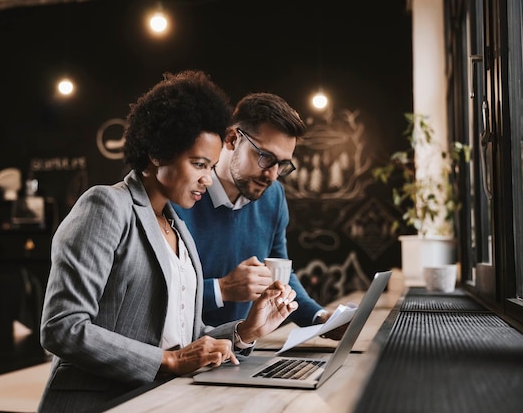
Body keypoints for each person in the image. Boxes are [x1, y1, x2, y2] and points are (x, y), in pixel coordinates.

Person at [37, 72, 298, 413]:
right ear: (158, 154)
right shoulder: (106, 206)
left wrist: (245, 331)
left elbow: (179, 333)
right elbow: (62, 328)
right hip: (96, 403)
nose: (207, 178)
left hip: (157, 401)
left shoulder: (176, 226)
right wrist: (169, 360)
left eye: (211, 165)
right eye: (198, 164)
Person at [173, 92, 346, 339]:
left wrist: (320, 319)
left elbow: (279, 275)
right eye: (266, 158)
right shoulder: (181, 194)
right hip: (183, 353)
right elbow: (156, 295)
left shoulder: (273, 196)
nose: (273, 175)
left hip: (241, 348)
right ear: (232, 139)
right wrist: (222, 289)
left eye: (282, 165)